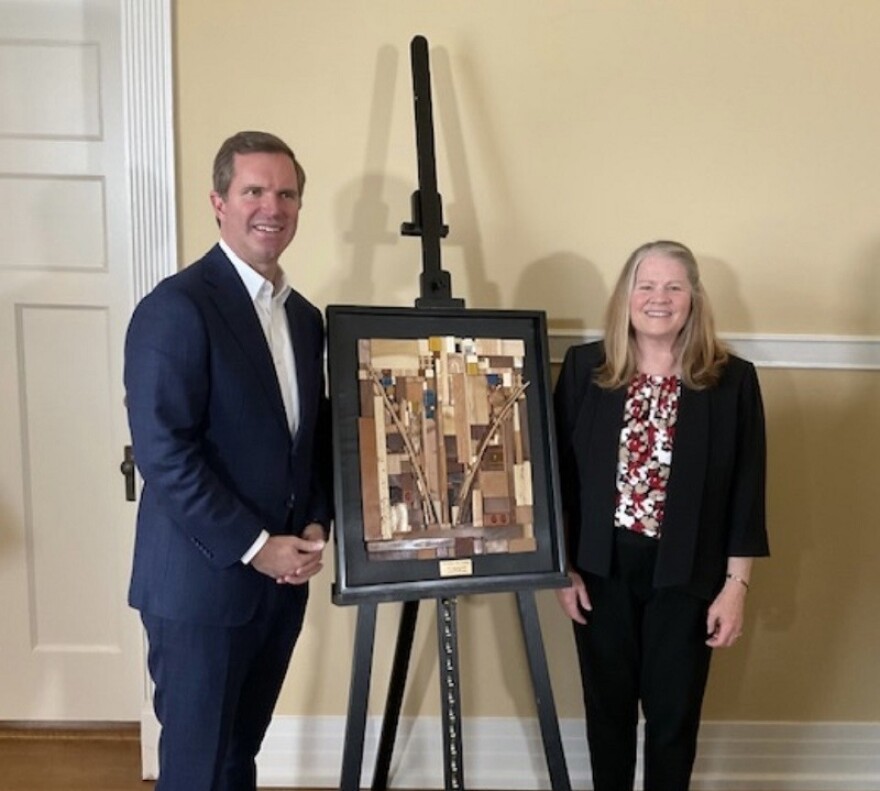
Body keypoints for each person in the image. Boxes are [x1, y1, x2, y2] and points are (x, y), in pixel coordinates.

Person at [124, 130, 333, 791]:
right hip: (201, 588)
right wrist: (255, 546)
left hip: (277, 591)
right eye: (254, 191)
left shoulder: (303, 318)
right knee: (196, 770)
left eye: (286, 193)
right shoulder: (176, 307)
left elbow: (308, 437)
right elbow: (165, 453)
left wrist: (317, 523)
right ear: (218, 202)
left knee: (237, 757)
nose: (272, 206)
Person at [553, 240, 769, 791]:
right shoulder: (585, 369)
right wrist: (563, 569)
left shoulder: (731, 381)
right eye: (645, 285)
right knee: (609, 718)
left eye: (674, 286)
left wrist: (736, 586)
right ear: (626, 297)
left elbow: (747, 489)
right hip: (599, 569)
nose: (658, 298)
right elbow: (557, 482)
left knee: (673, 722)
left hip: (687, 575)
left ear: (693, 299)